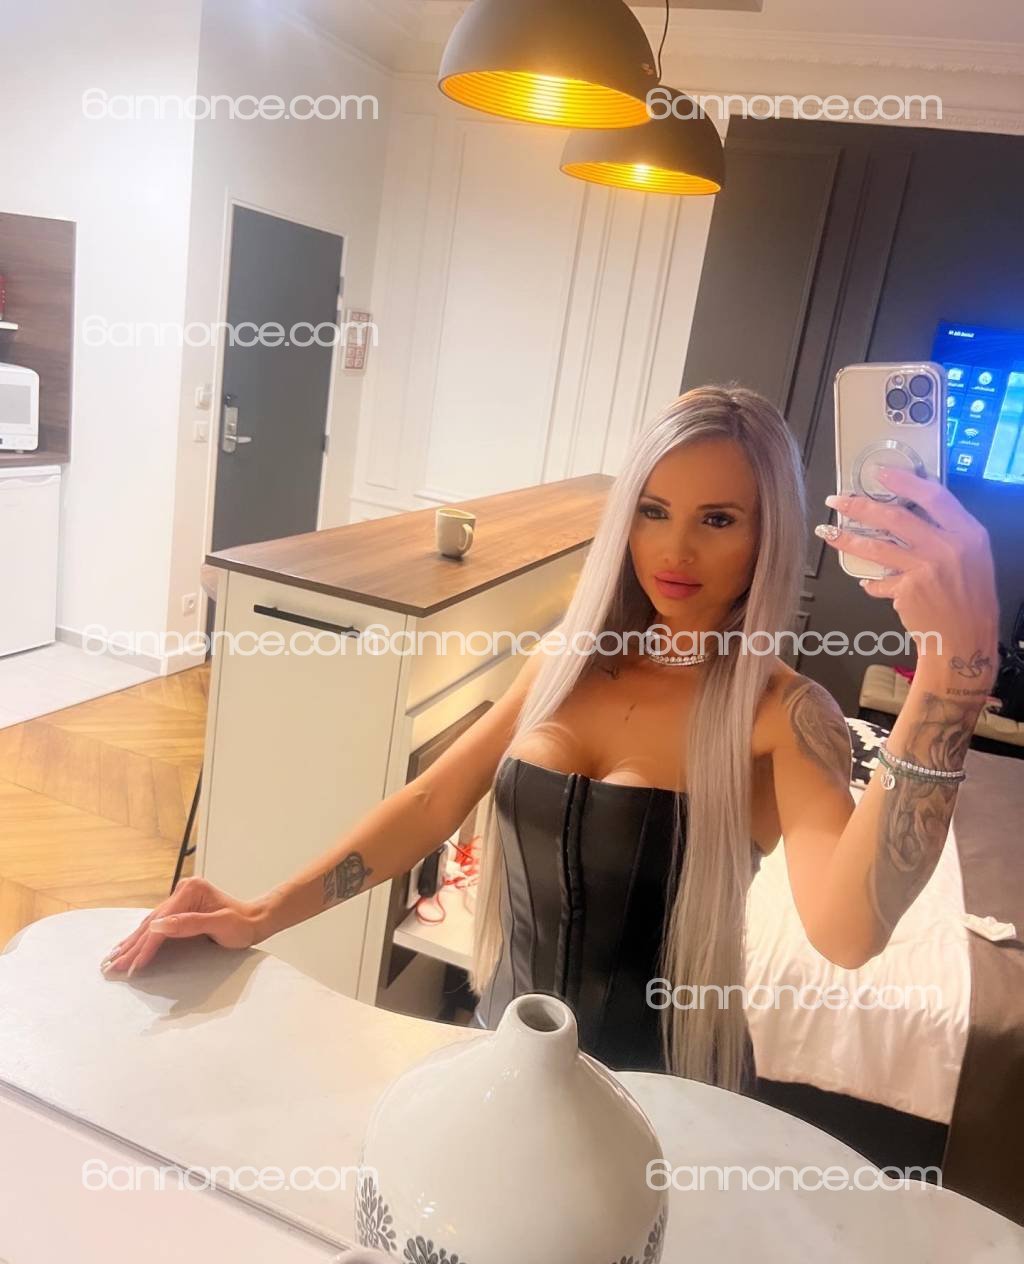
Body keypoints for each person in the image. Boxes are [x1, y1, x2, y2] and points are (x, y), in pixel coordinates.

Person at [100, 386, 999, 1094]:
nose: (675, 550)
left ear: (768, 538)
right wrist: (261, 913)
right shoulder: (565, 663)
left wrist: (952, 676)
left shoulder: (783, 715)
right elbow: (430, 805)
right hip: (499, 1059)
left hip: (660, 1095)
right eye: (653, 510)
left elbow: (846, 933)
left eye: (719, 519)